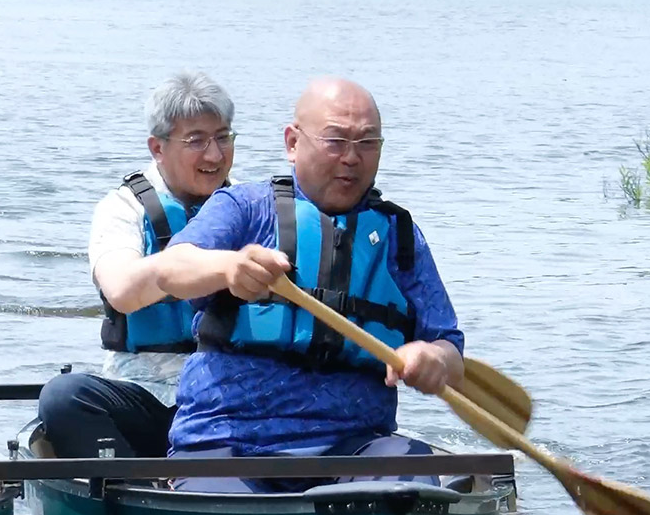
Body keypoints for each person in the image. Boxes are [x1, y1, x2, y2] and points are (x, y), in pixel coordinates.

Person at [145, 78, 466, 492]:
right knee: (224, 499)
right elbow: (170, 269)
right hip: (228, 442)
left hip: (354, 445)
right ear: (293, 142)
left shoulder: (398, 234)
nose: (352, 158)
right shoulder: (243, 208)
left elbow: (451, 352)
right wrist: (230, 267)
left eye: (367, 144)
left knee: (412, 473)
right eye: (336, 141)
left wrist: (433, 356)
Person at [37, 72, 236, 459]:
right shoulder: (122, 208)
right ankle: (131, 492)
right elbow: (122, 290)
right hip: (145, 393)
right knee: (63, 397)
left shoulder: (250, 205)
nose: (214, 155)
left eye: (223, 137)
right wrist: (205, 266)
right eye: (196, 140)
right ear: (157, 148)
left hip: (228, 393)